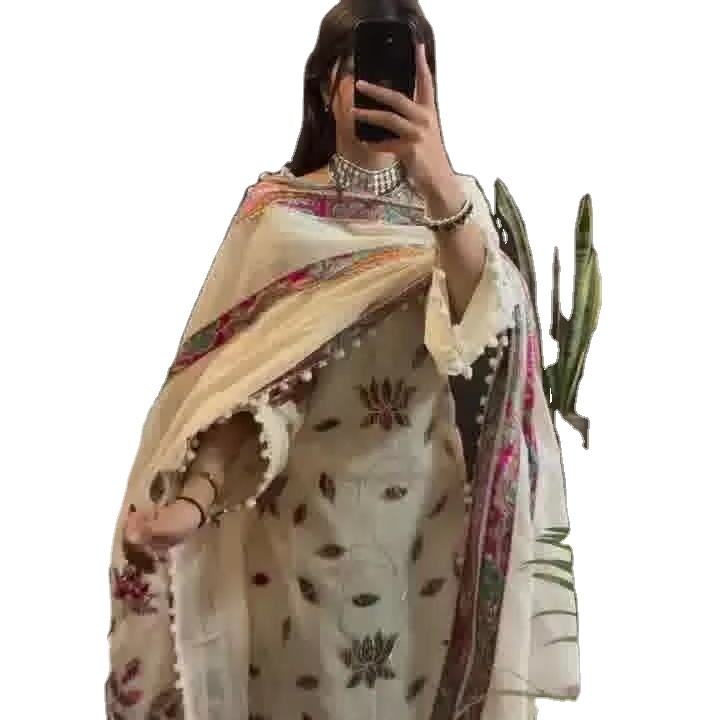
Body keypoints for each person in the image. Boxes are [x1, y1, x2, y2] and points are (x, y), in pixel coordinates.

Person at [105, 2, 580, 719]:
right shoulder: (277, 220)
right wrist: (192, 504)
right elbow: (246, 391)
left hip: (428, 548)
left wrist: (439, 186)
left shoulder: (458, 212)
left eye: (405, 71)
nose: (381, 87)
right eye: (362, 69)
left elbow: (487, 334)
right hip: (300, 551)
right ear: (326, 85)